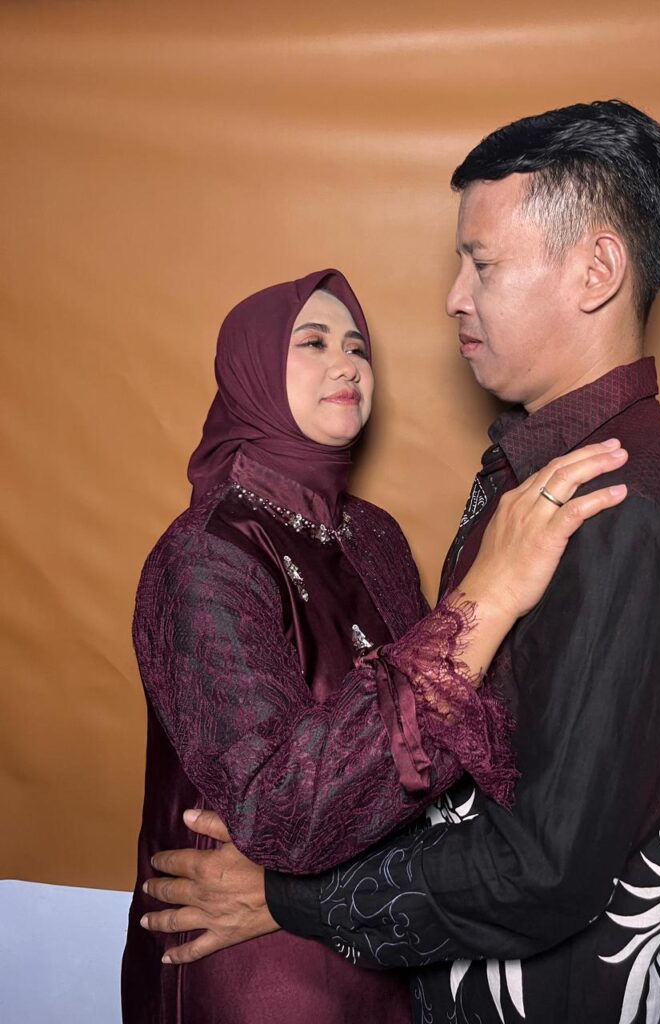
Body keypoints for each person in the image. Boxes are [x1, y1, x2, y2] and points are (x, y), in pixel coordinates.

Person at [143, 100, 660, 1024]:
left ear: (597, 271)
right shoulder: (537, 477)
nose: (454, 296)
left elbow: (542, 870)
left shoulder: (613, 508)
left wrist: (288, 899)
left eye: (482, 264)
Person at [123, 267, 628, 1023]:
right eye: (313, 342)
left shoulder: (374, 536)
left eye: (357, 347)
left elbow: (442, 737)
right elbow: (281, 811)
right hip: (252, 963)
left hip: (376, 936)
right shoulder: (204, 556)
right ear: (251, 369)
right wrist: (487, 596)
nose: (347, 364)